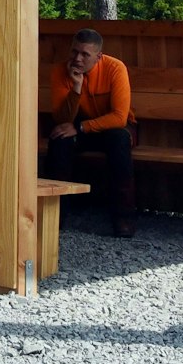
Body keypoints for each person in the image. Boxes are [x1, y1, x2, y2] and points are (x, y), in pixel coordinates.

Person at [44, 28, 137, 237]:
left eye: (85, 54)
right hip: (80, 125)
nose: (77, 58)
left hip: (114, 128)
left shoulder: (115, 68)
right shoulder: (60, 72)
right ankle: (55, 215)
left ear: (98, 56)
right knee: (59, 140)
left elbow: (119, 117)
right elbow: (62, 119)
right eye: (74, 52)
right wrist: (76, 88)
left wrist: (80, 127)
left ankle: (124, 218)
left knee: (119, 141)